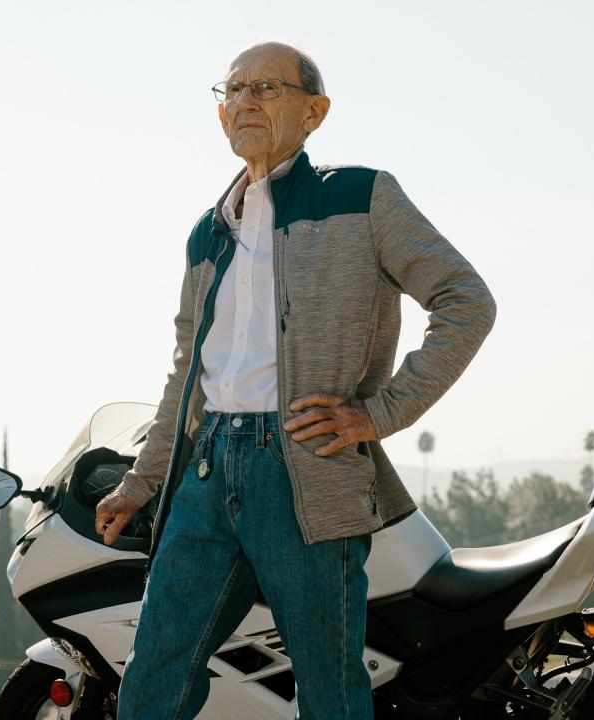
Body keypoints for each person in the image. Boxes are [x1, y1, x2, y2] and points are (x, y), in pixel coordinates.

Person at [94, 40, 497, 720]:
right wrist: (141, 482)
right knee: (152, 678)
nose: (245, 101)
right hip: (206, 471)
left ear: (314, 111)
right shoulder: (206, 234)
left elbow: (467, 301)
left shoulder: (363, 196)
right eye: (233, 90)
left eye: (266, 88)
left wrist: (382, 412)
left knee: (329, 690)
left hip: (306, 468)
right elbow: (187, 377)